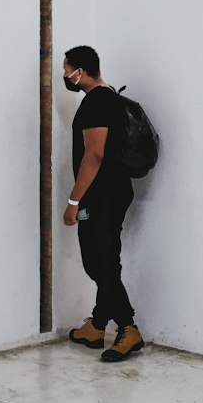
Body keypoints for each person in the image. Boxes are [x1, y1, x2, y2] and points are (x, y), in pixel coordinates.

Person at [62, 45, 145, 362]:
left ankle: (129, 329)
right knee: (103, 259)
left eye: (67, 69)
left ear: (80, 71)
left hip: (102, 195)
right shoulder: (108, 95)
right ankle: (97, 325)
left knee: (99, 263)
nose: (65, 75)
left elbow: (93, 156)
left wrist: (73, 200)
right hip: (111, 192)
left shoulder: (97, 101)